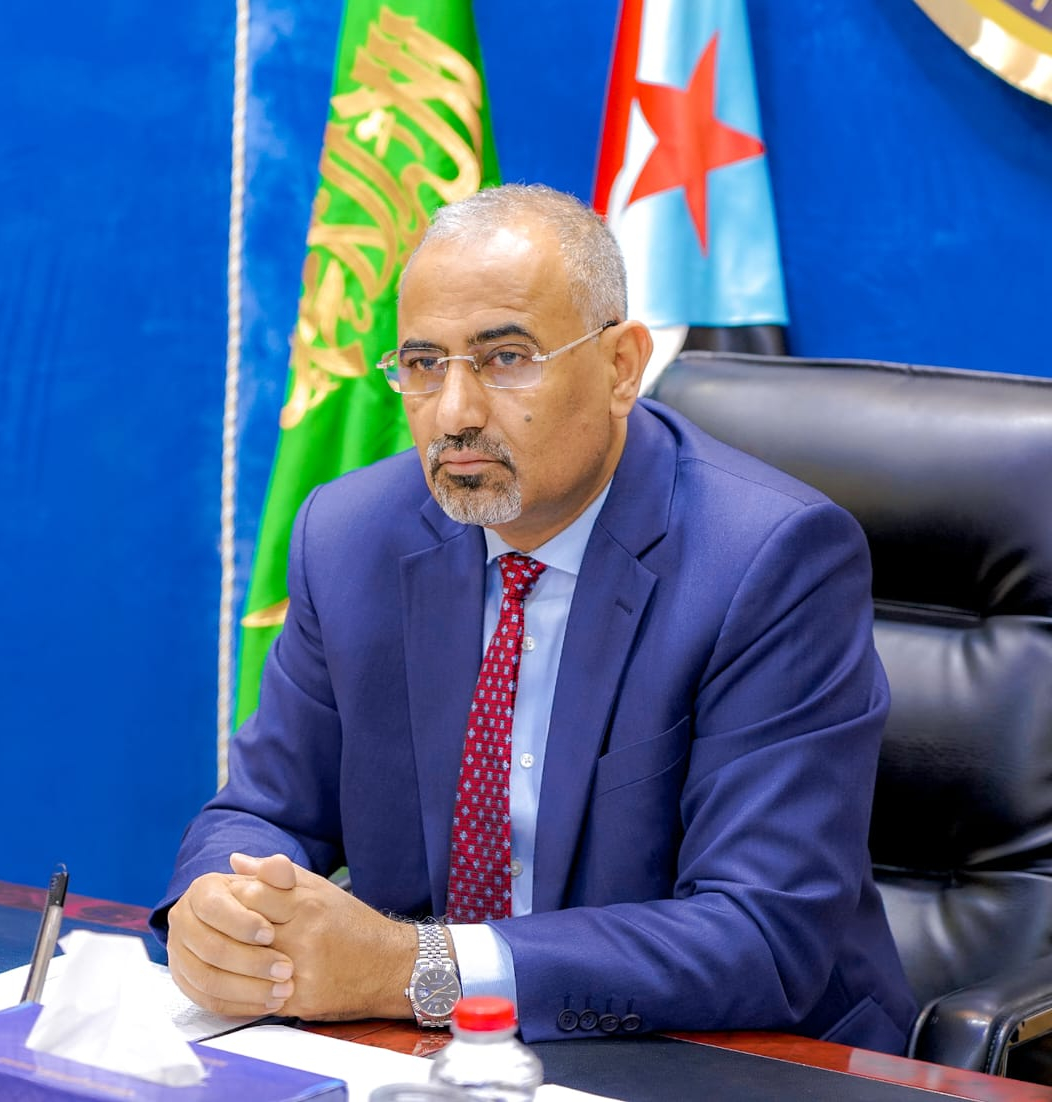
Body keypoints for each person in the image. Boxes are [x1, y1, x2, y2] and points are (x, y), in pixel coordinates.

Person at [153, 183, 917, 1052]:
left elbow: (760, 933)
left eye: (506, 357)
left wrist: (413, 967)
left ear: (622, 367)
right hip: (437, 1056)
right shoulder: (350, 535)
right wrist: (221, 909)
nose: (454, 413)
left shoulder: (767, 560)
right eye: (423, 364)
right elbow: (265, 810)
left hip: (725, 1058)